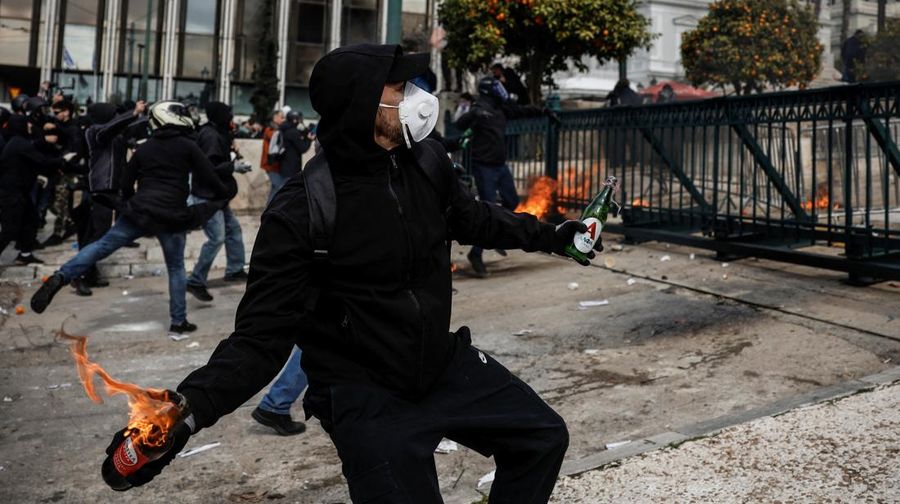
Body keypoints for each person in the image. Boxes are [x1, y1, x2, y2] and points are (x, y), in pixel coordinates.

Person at [96, 43, 604, 503]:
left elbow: (471, 217)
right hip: (363, 396)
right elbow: (259, 341)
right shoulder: (302, 210)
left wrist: (556, 236)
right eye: (400, 89)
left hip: (439, 366)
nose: (416, 98)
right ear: (363, 105)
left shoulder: (425, 159)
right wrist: (179, 415)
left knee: (542, 437)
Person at [31, 101, 235, 334]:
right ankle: (178, 322)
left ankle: (61, 276)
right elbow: (209, 177)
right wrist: (225, 189)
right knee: (176, 267)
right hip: (172, 216)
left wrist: (130, 206)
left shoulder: (144, 148)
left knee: (101, 246)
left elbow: (127, 183)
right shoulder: (188, 146)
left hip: (139, 211)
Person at [456, 75, 555, 277]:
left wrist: (544, 110)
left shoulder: (501, 109)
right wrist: (474, 114)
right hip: (483, 168)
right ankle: (476, 254)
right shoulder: (479, 109)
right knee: (488, 211)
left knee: (511, 201)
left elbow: (522, 110)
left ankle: (496, 236)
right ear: (488, 91)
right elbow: (459, 124)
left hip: (500, 167)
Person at [185, 102, 247, 303]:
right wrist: (233, 166)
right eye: (228, 115)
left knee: (234, 231)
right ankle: (196, 280)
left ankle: (235, 269)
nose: (231, 118)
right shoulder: (210, 136)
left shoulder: (216, 132)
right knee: (216, 237)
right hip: (208, 196)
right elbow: (209, 167)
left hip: (218, 195)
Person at [0, 115, 63, 264]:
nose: (30, 127)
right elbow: (42, 161)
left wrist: (37, 176)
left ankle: (25, 254)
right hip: (11, 193)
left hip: (19, 191)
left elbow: (25, 164)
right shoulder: (20, 143)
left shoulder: (17, 142)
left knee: (31, 219)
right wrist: (63, 160)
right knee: (10, 229)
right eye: (26, 124)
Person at [278, 110, 314, 179]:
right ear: (294, 120)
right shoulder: (293, 133)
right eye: (299, 119)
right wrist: (309, 139)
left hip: (285, 166)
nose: (300, 121)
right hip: (291, 169)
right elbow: (303, 148)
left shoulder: (285, 129)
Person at [260, 109, 286, 201]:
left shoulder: (277, 129)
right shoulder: (270, 129)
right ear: (275, 118)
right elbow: (276, 139)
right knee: (279, 186)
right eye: (281, 117)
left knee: (275, 188)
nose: (284, 119)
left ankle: (268, 209)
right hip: (270, 164)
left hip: (275, 165)